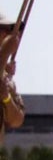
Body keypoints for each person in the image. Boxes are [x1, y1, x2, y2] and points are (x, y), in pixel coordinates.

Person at [0, 13, 26, 146]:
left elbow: (17, 120)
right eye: (5, 30)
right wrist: (4, 55)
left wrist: (6, 98)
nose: (9, 35)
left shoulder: (6, 78)